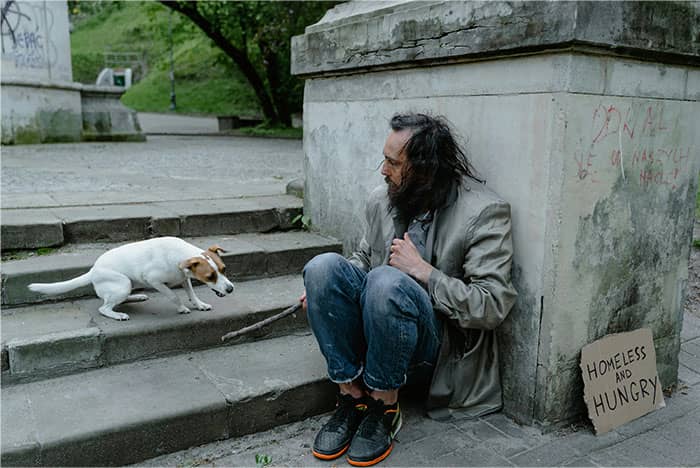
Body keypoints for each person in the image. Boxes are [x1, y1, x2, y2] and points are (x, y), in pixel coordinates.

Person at [300, 112, 517, 466]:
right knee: (322, 268)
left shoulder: (483, 212)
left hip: (434, 351)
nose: (383, 171)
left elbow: (491, 305)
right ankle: (351, 395)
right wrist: (325, 292)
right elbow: (363, 258)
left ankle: (384, 405)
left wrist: (425, 272)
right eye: (384, 160)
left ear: (426, 170)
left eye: (394, 163)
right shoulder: (382, 198)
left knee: (386, 281)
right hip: (377, 332)